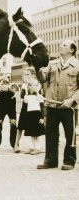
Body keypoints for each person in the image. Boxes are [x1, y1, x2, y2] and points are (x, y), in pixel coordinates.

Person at [37, 39, 79, 170]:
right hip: (52, 105)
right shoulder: (52, 63)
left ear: (71, 50)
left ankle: (69, 161)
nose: (61, 46)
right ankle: (50, 160)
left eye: (64, 45)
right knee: (50, 134)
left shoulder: (77, 65)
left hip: (69, 107)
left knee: (70, 135)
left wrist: (72, 100)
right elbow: (42, 78)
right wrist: (38, 69)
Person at [0, 76, 17, 152]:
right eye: (2, 84)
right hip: (0, 110)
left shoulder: (12, 93)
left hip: (10, 109)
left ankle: (15, 144)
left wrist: (12, 118)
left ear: (8, 84)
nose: (4, 85)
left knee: (13, 125)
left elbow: (13, 106)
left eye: (5, 84)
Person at [14, 66, 37, 153]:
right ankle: (16, 144)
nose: (26, 76)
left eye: (28, 74)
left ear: (33, 75)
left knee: (33, 126)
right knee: (20, 126)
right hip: (25, 106)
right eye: (25, 75)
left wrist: (29, 84)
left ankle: (35, 147)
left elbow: (35, 93)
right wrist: (25, 85)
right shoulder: (24, 84)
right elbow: (22, 96)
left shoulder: (36, 83)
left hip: (33, 106)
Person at [23, 78, 45, 155]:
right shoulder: (27, 96)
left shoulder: (39, 96)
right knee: (32, 133)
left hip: (37, 115)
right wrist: (25, 90)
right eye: (33, 85)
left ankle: (38, 148)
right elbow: (25, 102)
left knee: (38, 133)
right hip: (30, 115)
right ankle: (32, 147)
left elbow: (42, 107)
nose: (35, 87)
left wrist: (42, 117)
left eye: (36, 85)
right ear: (29, 86)